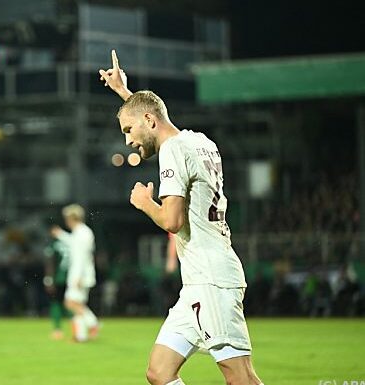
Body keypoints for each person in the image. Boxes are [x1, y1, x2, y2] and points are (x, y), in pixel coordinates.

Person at [99, 50, 264, 385]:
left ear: (147, 121)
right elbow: (151, 114)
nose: (129, 141)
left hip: (211, 279)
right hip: (198, 282)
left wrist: (145, 202)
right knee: (159, 372)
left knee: (241, 379)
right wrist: (124, 93)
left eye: (129, 130)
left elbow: (172, 221)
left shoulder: (172, 152)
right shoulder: (199, 141)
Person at [51, 204, 99, 342]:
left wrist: (80, 277)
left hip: (80, 274)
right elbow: (73, 244)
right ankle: (80, 335)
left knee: (71, 303)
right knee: (77, 303)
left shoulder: (83, 232)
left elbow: (83, 256)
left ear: (72, 218)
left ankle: (93, 323)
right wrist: (60, 234)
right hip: (78, 273)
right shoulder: (80, 232)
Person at [43, 236, 70, 340]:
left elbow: (49, 262)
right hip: (72, 278)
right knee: (72, 303)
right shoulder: (71, 243)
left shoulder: (54, 245)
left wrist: (48, 279)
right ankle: (76, 329)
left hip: (58, 278)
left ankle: (57, 330)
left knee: (56, 302)